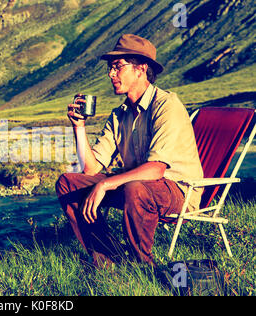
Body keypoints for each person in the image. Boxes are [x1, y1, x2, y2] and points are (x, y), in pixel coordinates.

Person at [55, 34, 204, 267]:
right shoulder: (120, 114)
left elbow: (156, 170)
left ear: (140, 69)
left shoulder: (167, 105)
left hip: (176, 191)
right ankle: (108, 259)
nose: (110, 74)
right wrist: (79, 127)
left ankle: (143, 265)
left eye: (117, 67)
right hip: (134, 186)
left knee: (136, 186)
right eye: (110, 68)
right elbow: (91, 168)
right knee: (68, 183)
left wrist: (105, 184)